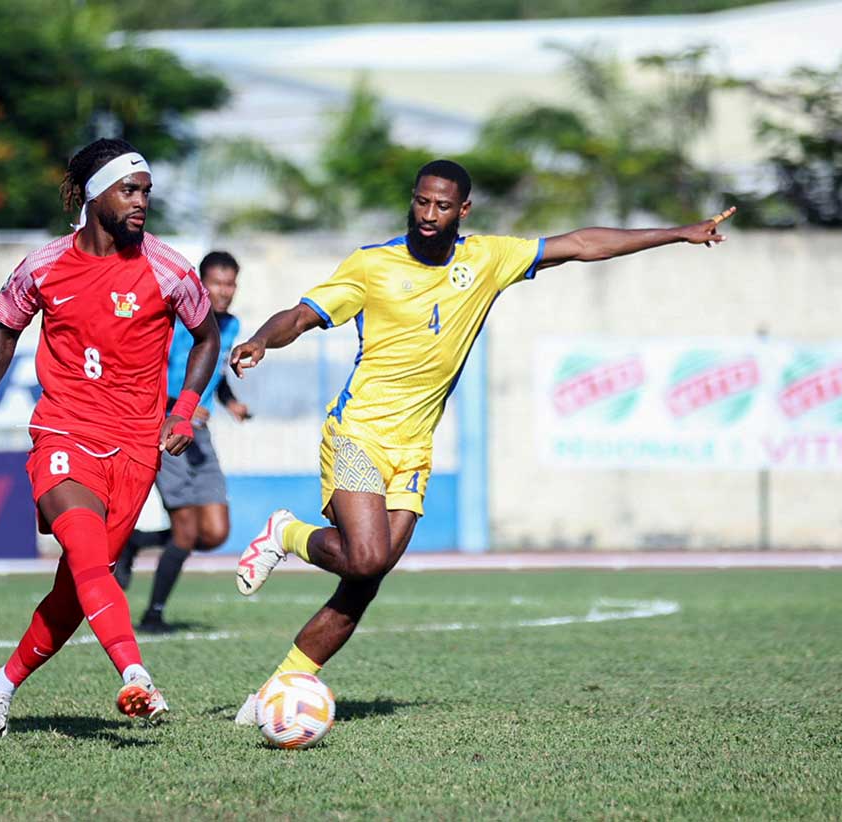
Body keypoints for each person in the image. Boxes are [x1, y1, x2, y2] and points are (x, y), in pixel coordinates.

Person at [228, 159, 735, 723]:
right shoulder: (372, 265)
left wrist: (676, 233)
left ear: (462, 210)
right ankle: (285, 531)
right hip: (358, 434)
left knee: (365, 581)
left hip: (414, 448)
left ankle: (277, 692)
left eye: (442, 206)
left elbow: (581, 243)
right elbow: (302, 315)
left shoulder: (487, 258)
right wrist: (259, 340)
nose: (428, 214)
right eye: (421, 202)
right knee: (367, 557)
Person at [0, 138, 220, 738]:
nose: (142, 201)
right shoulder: (43, 266)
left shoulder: (169, 269)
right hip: (63, 430)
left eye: (147, 191)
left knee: (74, 589)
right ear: (97, 195)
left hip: (136, 448)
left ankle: (2, 683)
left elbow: (207, 338)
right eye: (130, 189)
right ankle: (136, 673)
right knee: (88, 553)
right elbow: (5, 328)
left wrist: (185, 411)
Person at [114, 251, 250, 633]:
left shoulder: (233, 325)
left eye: (230, 283)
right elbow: (152, 376)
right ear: (201, 284)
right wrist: (181, 409)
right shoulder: (179, 323)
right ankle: (154, 614)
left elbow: (212, 372)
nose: (223, 292)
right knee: (187, 531)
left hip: (200, 434)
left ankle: (135, 542)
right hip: (167, 427)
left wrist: (229, 401)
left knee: (215, 532)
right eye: (216, 283)